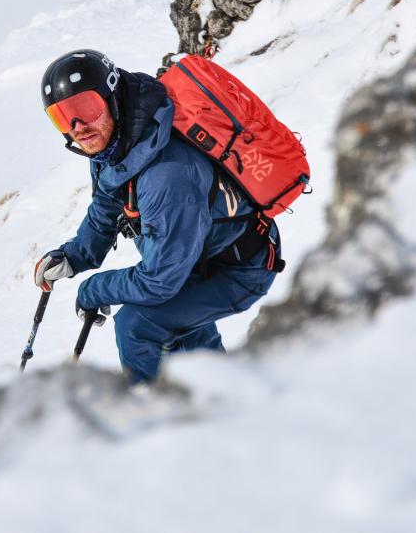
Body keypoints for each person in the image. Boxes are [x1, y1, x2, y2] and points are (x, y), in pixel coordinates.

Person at [34, 49, 283, 383]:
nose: (77, 127)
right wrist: (74, 256)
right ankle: (229, 404)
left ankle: (158, 427)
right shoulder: (114, 141)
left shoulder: (168, 174)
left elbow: (159, 281)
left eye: (84, 108)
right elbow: (106, 205)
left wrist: (95, 289)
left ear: (112, 95)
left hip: (237, 269)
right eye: (62, 117)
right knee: (184, 333)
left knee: (138, 325)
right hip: (193, 260)